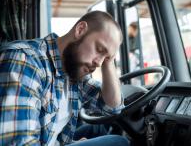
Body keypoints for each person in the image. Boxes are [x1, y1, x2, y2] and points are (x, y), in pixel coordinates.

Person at [0, 11, 129, 146]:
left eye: (106, 58)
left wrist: (109, 61)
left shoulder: (72, 70)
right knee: (118, 142)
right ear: (80, 30)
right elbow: (18, 143)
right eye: (99, 49)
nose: (99, 63)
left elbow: (112, 108)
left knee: (100, 128)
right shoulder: (24, 61)